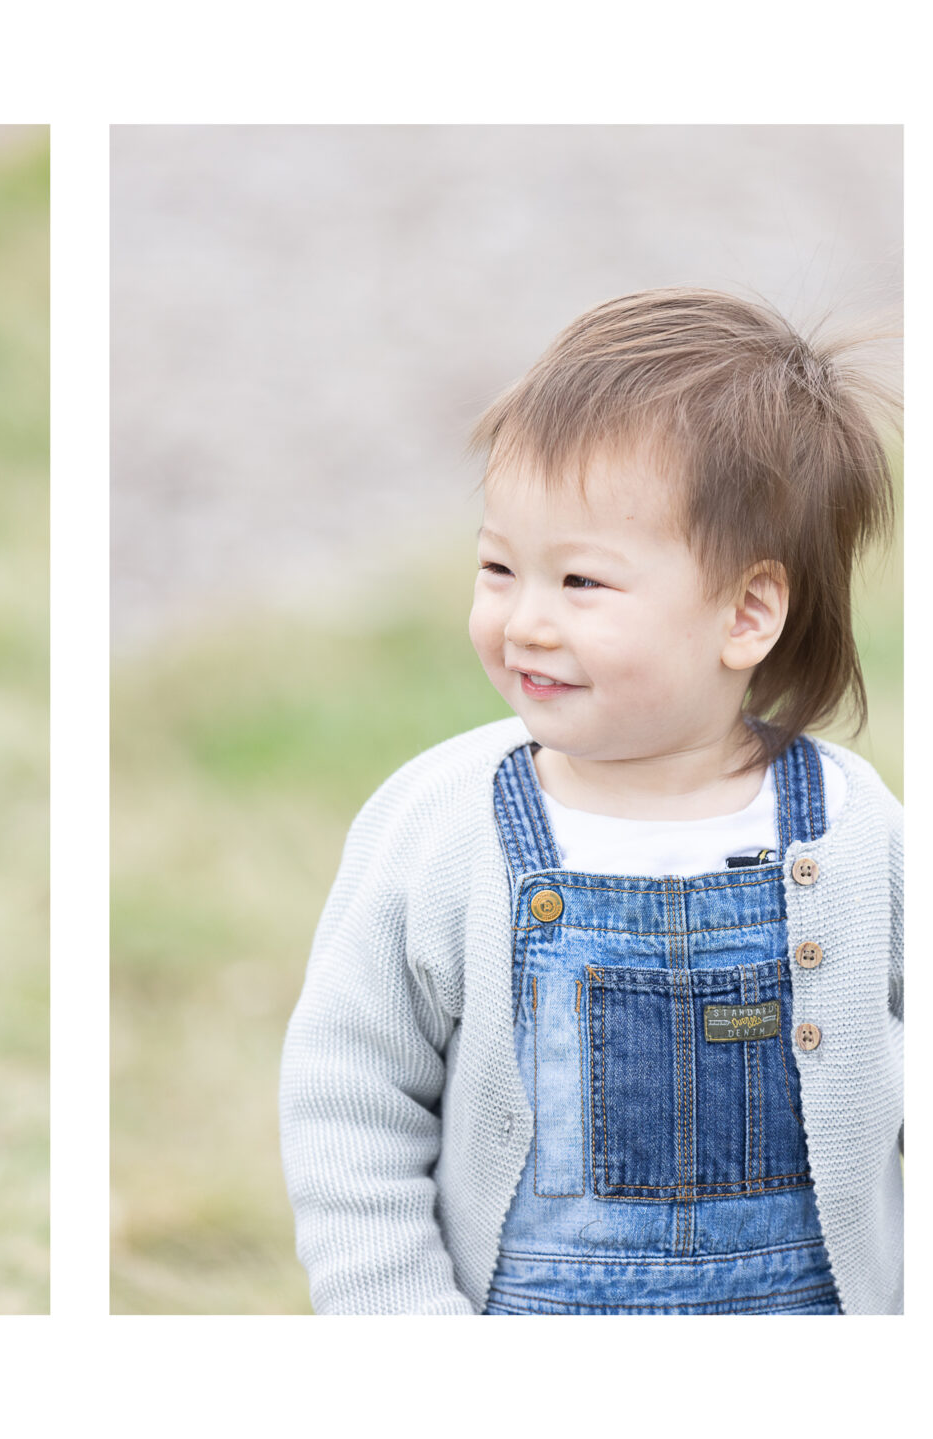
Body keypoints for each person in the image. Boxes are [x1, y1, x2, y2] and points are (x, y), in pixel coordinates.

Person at [280, 289, 902, 1314]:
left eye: (579, 582)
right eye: (496, 566)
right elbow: (350, 1098)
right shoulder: (442, 824)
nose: (523, 620)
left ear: (746, 611)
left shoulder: (851, 831)